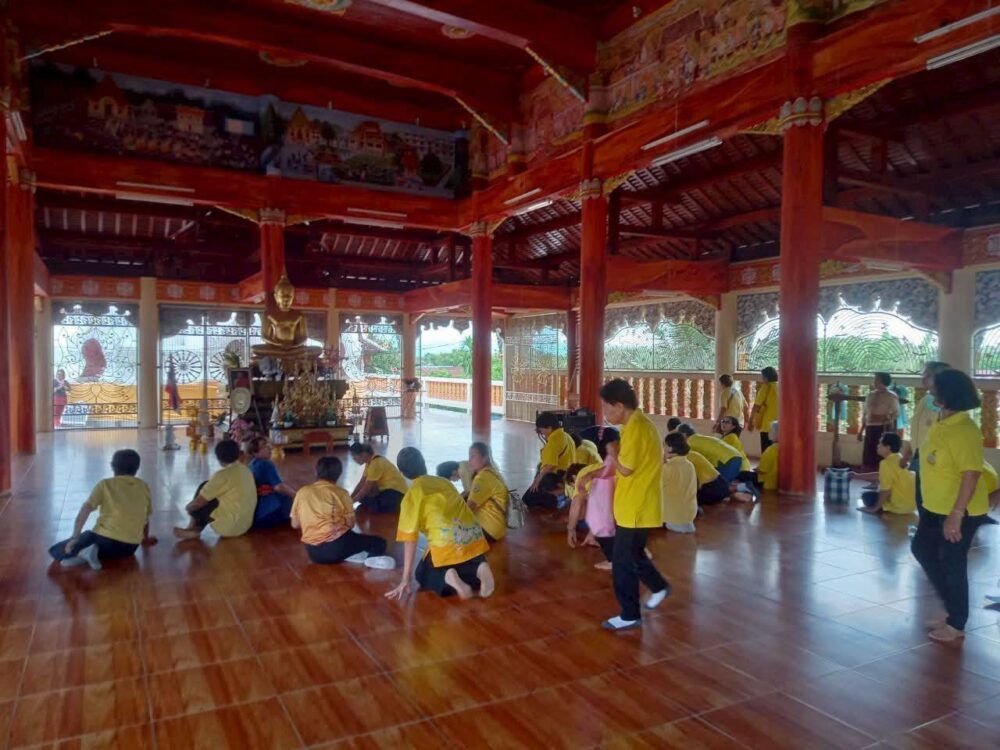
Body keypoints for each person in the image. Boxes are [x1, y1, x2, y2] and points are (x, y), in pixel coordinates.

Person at [911, 369, 991, 642]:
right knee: (922, 548)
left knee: (952, 562)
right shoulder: (943, 421)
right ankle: (952, 606)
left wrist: (956, 514)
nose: (930, 392)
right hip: (936, 505)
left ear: (948, 395)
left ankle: (956, 623)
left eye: (934, 389)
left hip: (959, 510)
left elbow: (971, 474)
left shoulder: (964, 430)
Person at [598, 378, 670, 631]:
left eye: (606, 407)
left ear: (619, 405)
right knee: (635, 554)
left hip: (636, 506)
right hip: (636, 503)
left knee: (622, 563)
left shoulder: (637, 428)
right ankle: (659, 587)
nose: (604, 412)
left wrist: (612, 453)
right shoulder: (635, 425)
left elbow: (626, 468)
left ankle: (629, 614)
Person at [386, 447, 494, 601]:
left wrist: (405, 578)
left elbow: (410, 539)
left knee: (422, 572)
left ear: (402, 473)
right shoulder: (444, 482)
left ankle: (448, 576)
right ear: (423, 463)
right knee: (465, 560)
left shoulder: (412, 496)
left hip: (446, 541)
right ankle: (480, 567)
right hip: (472, 537)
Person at [49, 449, 156, 569]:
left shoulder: (105, 485)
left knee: (56, 550)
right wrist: (145, 539)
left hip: (104, 541)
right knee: (100, 550)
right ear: (137, 468)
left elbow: (86, 509)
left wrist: (75, 537)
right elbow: (145, 518)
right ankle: (86, 554)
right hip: (130, 548)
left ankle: (83, 553)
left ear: (112, 466)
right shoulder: (143, 486)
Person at [291, 456, 394, 567]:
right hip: (335, 548)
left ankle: (349, 553)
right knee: (379, 542)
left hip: (313, 553)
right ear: (339, 474)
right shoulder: (341, 493)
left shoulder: (302, 492)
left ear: (316, 471)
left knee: (351, 537)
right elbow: (350, 524)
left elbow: (295, 524)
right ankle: (369, 560)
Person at [174, 439, 256, 540]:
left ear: (219, 459)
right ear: (238, 454)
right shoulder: (246, 470)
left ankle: (193, 528)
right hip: (245, 525)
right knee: (212, 492)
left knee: (204, 490)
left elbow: (198, 503)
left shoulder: (222, 475)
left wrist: (188, 508)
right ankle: (193, 529)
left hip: (228, 527)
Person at [901, 361, 951, 511]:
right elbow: (917, 430)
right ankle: (924, 524)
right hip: (920, 455)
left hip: (937, 461)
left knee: (935, 500)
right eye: (923, 374)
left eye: (928, 375)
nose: (923, 378)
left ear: (941, 378)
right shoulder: (925, 400)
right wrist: (908, 453)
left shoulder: (949, 404)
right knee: (921, 497)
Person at [851, 432, 916, 515]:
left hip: (899, 507)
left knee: (867, 497)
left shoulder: (886, 463)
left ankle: (885, 506)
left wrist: (875, 508)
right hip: (912, 507)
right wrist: (857, 476)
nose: (878, 446)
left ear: (888, 447)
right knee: (873, 492)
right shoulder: (898, 457)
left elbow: (885, 490)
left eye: (880, 443)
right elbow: (880, 475)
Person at [523, 412, 575, 508]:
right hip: (567, 475)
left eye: (541, 429)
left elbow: (550, 465)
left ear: (549, 428)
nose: (540, 431)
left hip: (555, 478)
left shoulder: (553, 442)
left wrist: (537, 481)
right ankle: (563, 492)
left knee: (528, 498)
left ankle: (559, 497)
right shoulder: (566, 436)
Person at [465, 442, 510, 543]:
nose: (469, 460)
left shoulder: (482, 477)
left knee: (448, 533)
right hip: (499, 528)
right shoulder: (493, 471)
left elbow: (468, 509)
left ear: (485, 458)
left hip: (488, 529)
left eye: (473, 456)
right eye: (469, 456)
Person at [247, 437, 296, 528]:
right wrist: (296, 495)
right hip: (268, 513)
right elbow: (279, 487)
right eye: (264, 446)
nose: (270, 448)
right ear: (255, 452)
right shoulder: (266, 464)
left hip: (256, 514)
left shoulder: (251, 464)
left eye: (268, 445)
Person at [349, 442, 408, 513]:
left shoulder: (376, 463)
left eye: (354, 456)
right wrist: (350, 498)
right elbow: (361, 483)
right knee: (364, 498)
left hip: (397, 493)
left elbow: (366, 488)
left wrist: (351, 502)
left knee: (373, 505)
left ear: (363, 454)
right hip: (386, 491)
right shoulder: (369, 463)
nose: (354, 459)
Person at [676, 423, 744, 483]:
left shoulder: (689, 442)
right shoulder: (699, 437)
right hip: (736, 456)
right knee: (725, 485)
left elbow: (687, 460)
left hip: (727, 460)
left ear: (684, 434)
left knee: (720, 486)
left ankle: (745, 486)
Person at [859, 372, 899, 471]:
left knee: (881, 454)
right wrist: (861, 431)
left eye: (877, 380)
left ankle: (880, 475)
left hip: (883, 428)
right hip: (870, 428)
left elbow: (896, 414)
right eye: (875, 380)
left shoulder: (891, 396)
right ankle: (868, 475)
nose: (875, 382)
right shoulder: (870, 395)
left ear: (884, 382)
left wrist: (888, 422)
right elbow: (865, 414)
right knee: (869, 453)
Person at [662, 433, 698, 533]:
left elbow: (652, 486)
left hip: (673, 517)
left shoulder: (668, 467)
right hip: (689, 515)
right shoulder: (689, 464)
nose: (663, 447)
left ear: (670, 448)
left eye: (664, 445)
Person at [747, 366, 779, 451]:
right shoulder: (781, 386)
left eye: (762, 377)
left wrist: (750, 421)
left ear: (766, 377)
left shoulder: (766, 387)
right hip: (779, 426)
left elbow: (756, 406)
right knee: (776, 451)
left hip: (767, 426)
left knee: (766, 451)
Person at [757, 420, 780, 491]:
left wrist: (757, 470)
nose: (769, 433)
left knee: (743, 475)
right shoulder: (789, 448)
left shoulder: (771, 450)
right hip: (780, 483)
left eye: (771, 431)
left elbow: (763, 470)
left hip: (768, 484)